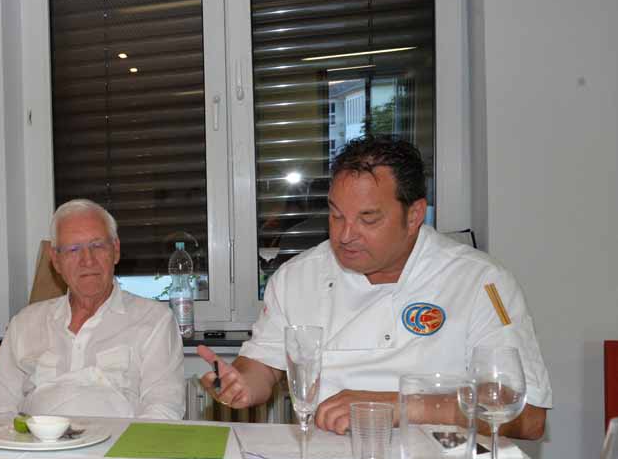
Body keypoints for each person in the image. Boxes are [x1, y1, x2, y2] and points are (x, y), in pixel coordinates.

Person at [198, 136, 552, 438]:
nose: (345, 234)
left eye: (368, 219)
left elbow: (529, 417)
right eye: (336, 215)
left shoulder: (478, 281)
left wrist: (400, 407)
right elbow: (261, 368)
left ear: (414, 215)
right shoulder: (297, 278)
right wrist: (240, 384)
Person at [0, 199, 185, 419]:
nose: (87, 260)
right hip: (35, 442)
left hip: (122, 441)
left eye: (97, 246)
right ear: (56, 261)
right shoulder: (24, 325)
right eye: (73, 249)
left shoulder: (154, 321)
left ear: (116, 250)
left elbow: (163, 411)